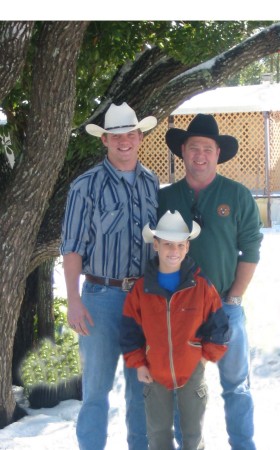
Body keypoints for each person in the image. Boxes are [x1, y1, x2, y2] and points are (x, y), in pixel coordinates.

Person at [158, 114, 264, 450]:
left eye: (207, 148)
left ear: (218, 153)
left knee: (237, 387)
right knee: (184, 389)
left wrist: (233, 298)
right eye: (193, 148)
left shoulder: (236, 195)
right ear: (183, 152)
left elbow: (251, 248)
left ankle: (243, 445)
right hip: (181, 311)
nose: (199, 155)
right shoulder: (166, 198)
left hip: (225, 309)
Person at [60, 102, 159, 450]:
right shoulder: (85, 186)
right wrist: (73, 300)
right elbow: (71, 248)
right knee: (96, 392)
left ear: (139, 136)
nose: (123, 142)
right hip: (100, 300)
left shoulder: (151, 183)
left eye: (129, 134)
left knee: (141, 390)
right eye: (115, 136)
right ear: (104, 140)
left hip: (145, 301)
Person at [120, 210, 229, 450]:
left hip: (192, 369)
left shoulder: (201, 286)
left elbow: (218, 324)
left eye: (180, 245)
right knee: (158, 435)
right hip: (154, 371)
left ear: (187, 247)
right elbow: (130, 331)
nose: (174, 251)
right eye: (168, 244)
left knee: (193, 435)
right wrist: (138, 363)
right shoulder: (141, 289)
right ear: (156, 245)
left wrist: (205, 357)